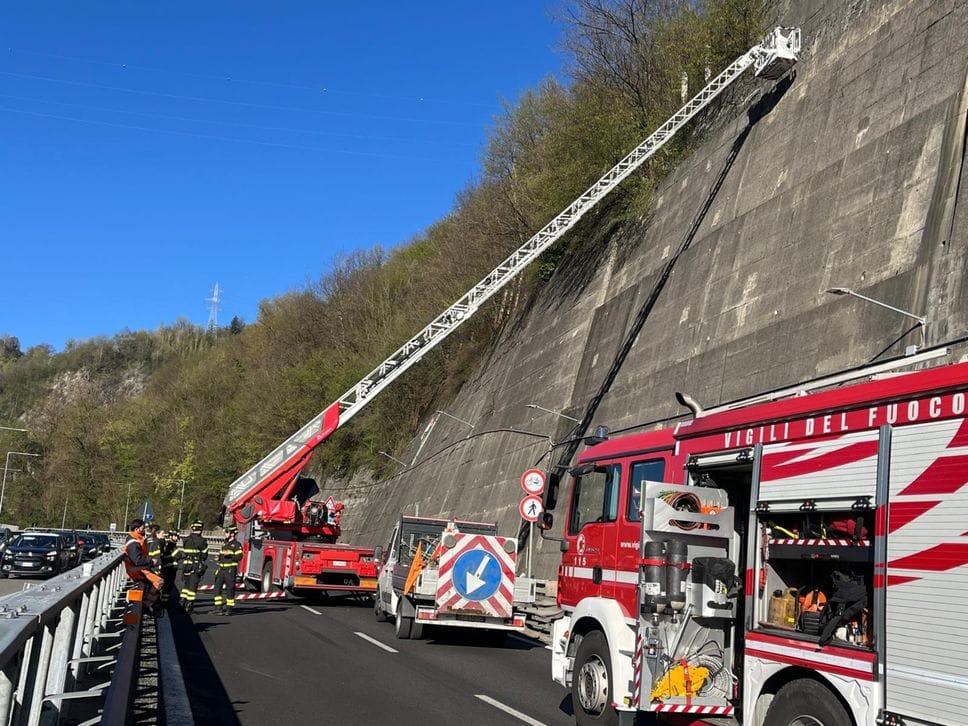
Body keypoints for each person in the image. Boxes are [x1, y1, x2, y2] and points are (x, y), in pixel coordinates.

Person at [122, 518, 162, 613]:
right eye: (143, 528)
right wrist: (151, 561)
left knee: (148, 587)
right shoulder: (133, 542)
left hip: (138, 569)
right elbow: (137, 560)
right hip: (137, 570)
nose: (144, 530)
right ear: (137, 529)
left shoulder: (137, 539)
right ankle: (146, 604)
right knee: (159, 582)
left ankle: (143, 606)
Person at [178, 519, 209, 612]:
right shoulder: (202, 541)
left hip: (186, 565)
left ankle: (182, 600)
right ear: (201, 529)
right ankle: (189, 605)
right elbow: (204, 556)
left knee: (186, 585)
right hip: (196, 566)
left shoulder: (186, 539)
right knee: (193, 586)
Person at [212, 525, 243, 615]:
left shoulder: (237, 545)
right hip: (221, 569)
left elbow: (239, 557)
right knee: (217, 588)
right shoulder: (225, 544)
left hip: (230, 570)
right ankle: (218, 608)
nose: (225, 534)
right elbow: (222, 555)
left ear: (232, 534)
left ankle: (229, 609)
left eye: (227, 532)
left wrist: (230, 555)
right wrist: (218, 558)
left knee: (230, 589)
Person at [159, 527, 180, 608]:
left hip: (170, 569)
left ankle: (164, 601)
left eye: (177, 536)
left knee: (168, 586)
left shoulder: (170, 544)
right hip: (169, 569)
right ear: (170, 536)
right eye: (174, 536)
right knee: (167, 586)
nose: (176, 538)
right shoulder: (170, 545)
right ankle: (164, 603)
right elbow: (178, 555)